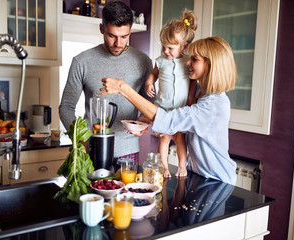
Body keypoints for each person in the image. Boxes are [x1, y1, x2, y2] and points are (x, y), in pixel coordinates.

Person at [98, 36, 237, 185]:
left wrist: (123, 88)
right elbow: (172, 113)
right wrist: (147, 118)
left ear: (210, 65)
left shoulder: (214, 105)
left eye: (194, 59)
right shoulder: (197, 93)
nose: (188, 62)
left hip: (217, 180)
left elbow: (169, 120)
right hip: (198, 175)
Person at [59, 1, 153, 164]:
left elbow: (149, 100)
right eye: (112, 36)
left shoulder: (144, 61)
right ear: (102, 29)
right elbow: (66, 107)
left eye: (124, 36)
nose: (118, 44)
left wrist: (144, 118)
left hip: (127, 151)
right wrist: (81, 139)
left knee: (127, 190)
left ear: (130, 30)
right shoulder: (82, 61)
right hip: (91, 148)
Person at [145, 9, 197, 178]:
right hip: (163, 108)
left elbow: (193, 80)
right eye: (163, 47)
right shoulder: (160, 61)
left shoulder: (188, 61)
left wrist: (190, 97)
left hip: (180, 109)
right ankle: (165, 167)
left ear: (184, 46)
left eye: (170, 48)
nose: (166, 51)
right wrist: (149, 82)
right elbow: (154, 74)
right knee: (165, 139)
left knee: (179, 139)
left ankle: (182, 166)